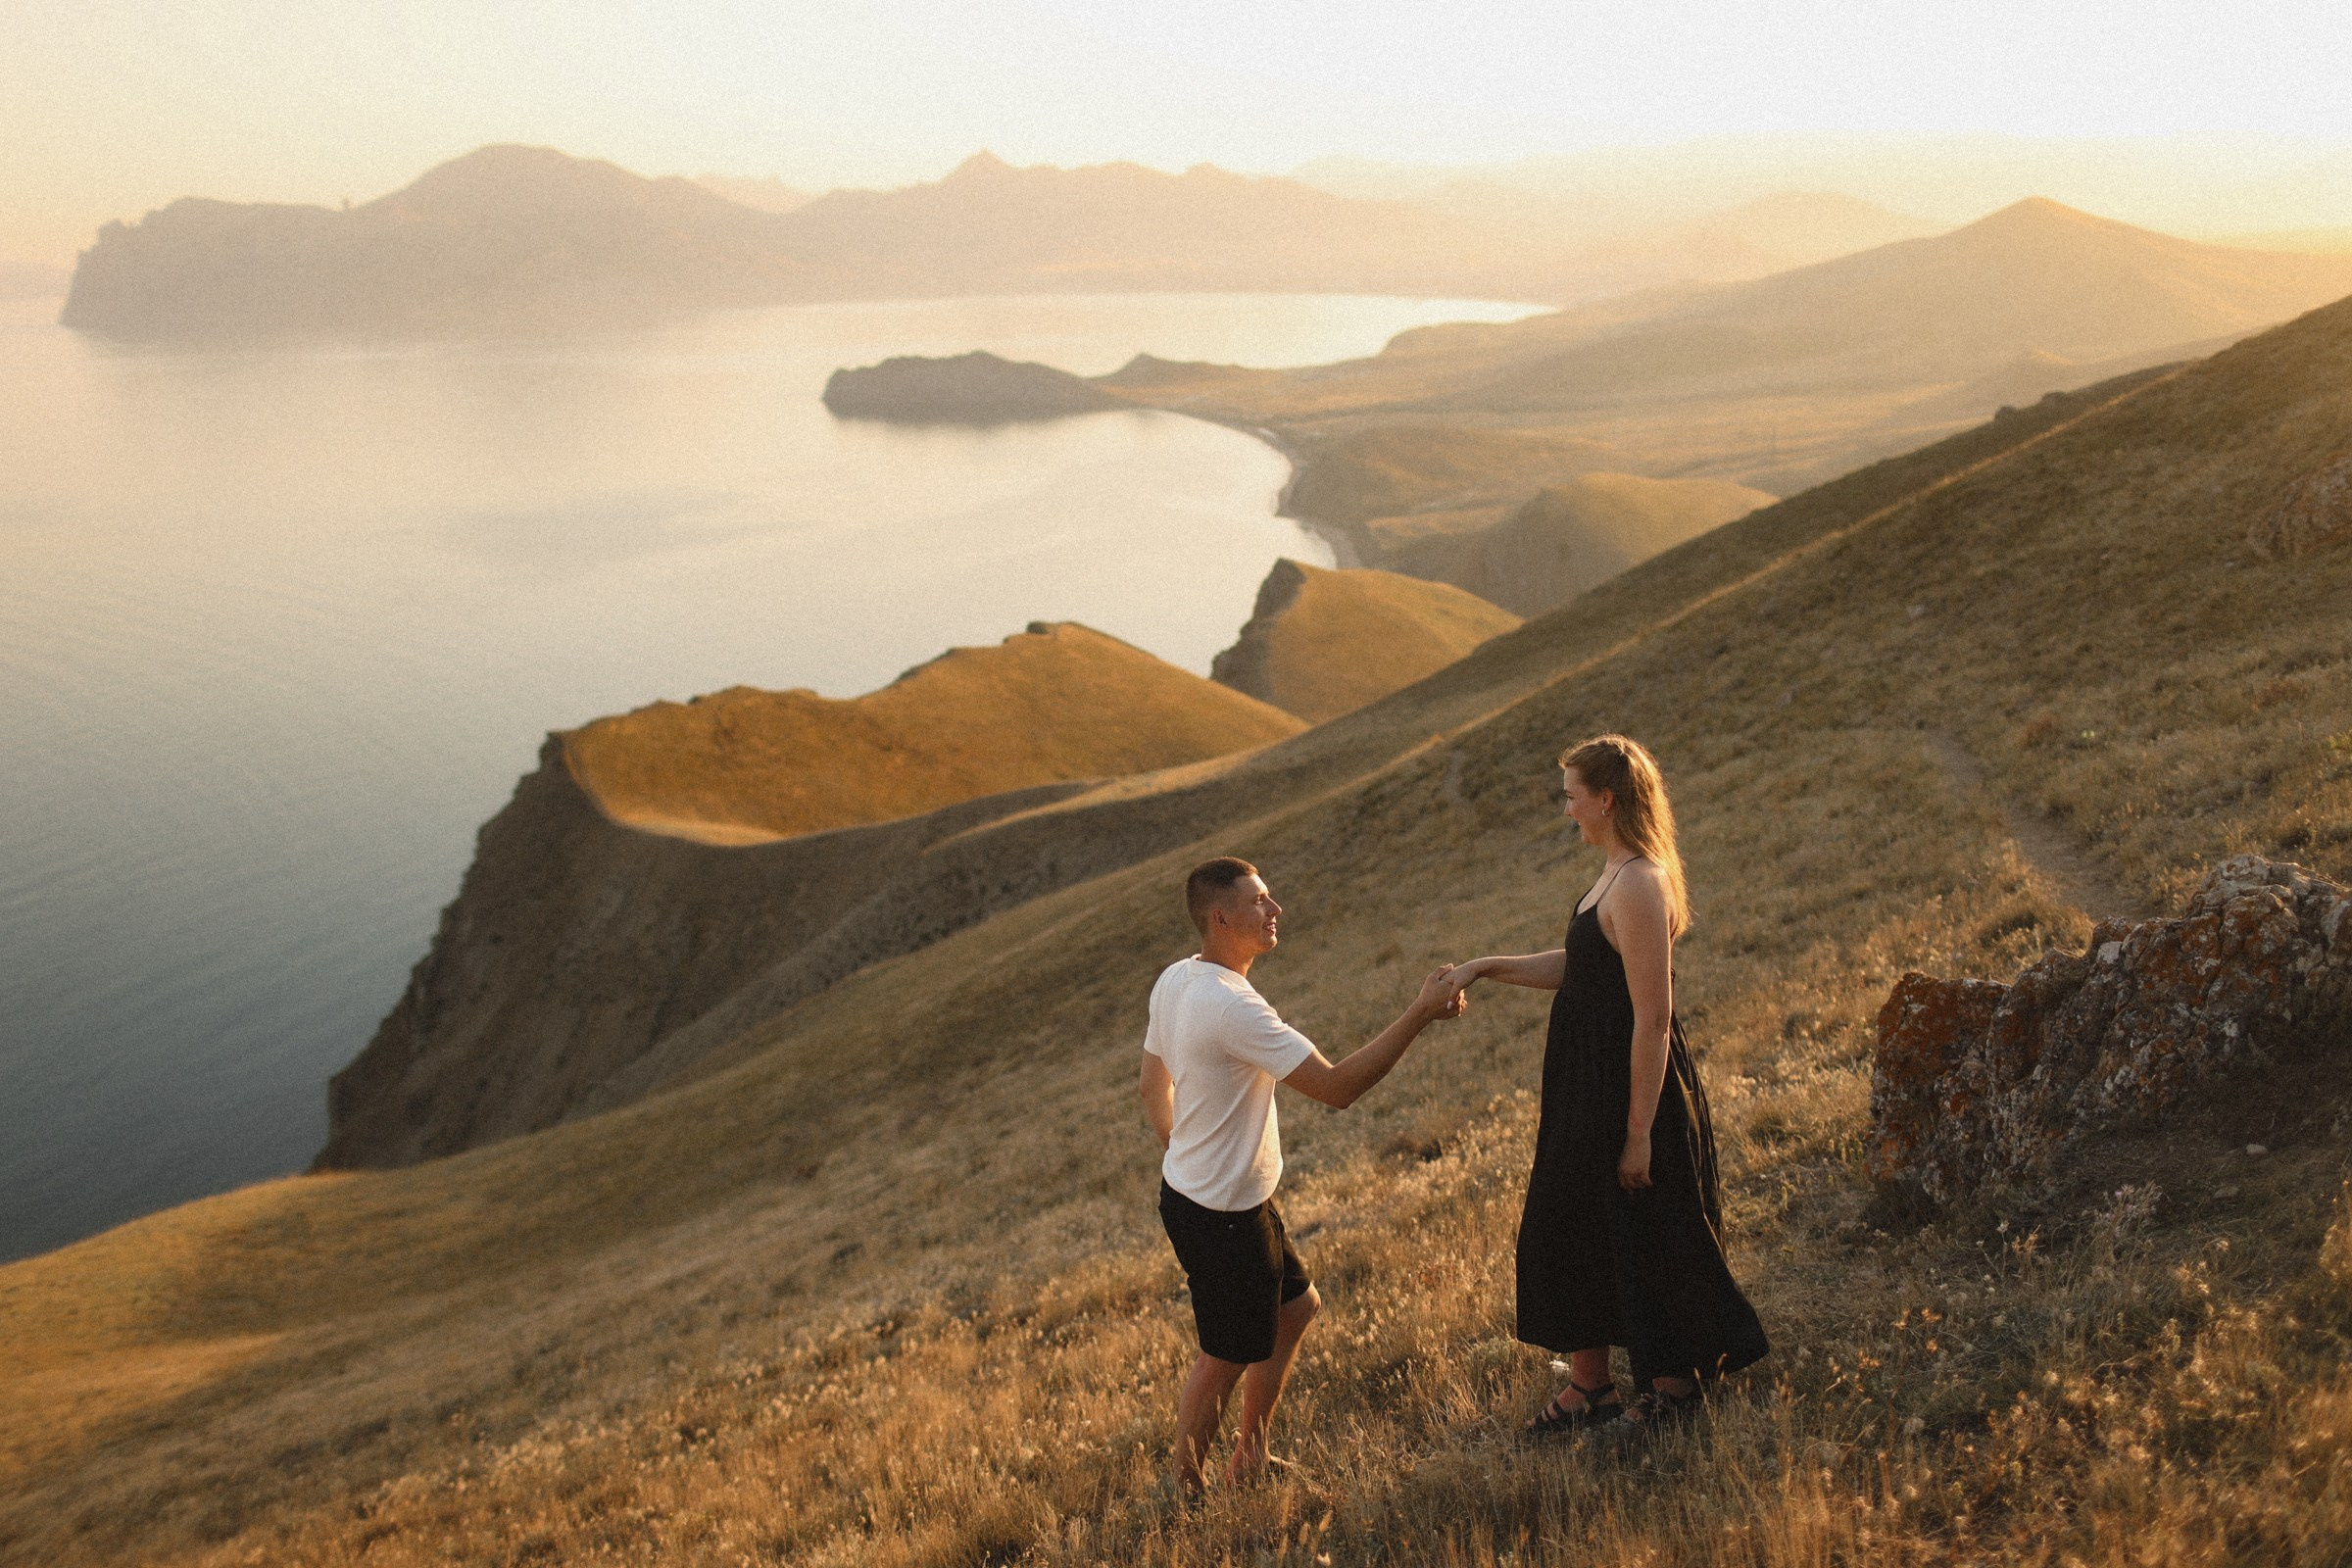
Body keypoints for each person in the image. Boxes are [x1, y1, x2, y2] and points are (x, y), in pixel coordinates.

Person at [1450, 735, 1767, 1434]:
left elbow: (1654, 1019)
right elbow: (1583, 965)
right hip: (1586, 1086)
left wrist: (1637, 1134)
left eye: (1570, 795)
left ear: (1606, 799)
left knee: (1648, 1232)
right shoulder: (1614, 876)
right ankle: (1589, 1391)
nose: (1565, 809)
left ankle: (1674, 1390)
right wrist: (1485, 966)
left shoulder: (1642, 883)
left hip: (1628, 1089)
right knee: (1569, 1228)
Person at [1141, 856, 1466, 1491]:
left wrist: (1185, 1152)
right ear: (1220, 917)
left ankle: (1251, 1460)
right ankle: (1184, 1491)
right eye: (1259, 901)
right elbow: (1339, 1087)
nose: (1274, 910)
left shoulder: (1178, 978)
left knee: (1296, 1309)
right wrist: (1420, 1014)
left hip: (1216, 1196)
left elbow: (1153, 1085)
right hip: (1221, 1213)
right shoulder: (1232, 1007)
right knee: (1225, 1355)